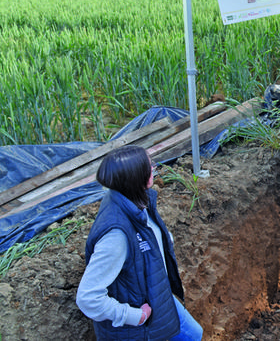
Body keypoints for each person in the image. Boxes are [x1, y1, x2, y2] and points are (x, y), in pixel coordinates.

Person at [76, 145, 202, 340]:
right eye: (148, 165)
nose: (153, 168)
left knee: (193, 335)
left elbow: (149, 237)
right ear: (135, 179)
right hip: (139, 325)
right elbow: (87, 298)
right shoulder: (116, 235)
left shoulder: (136, 202)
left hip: (157, 297)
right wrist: (135, 316)